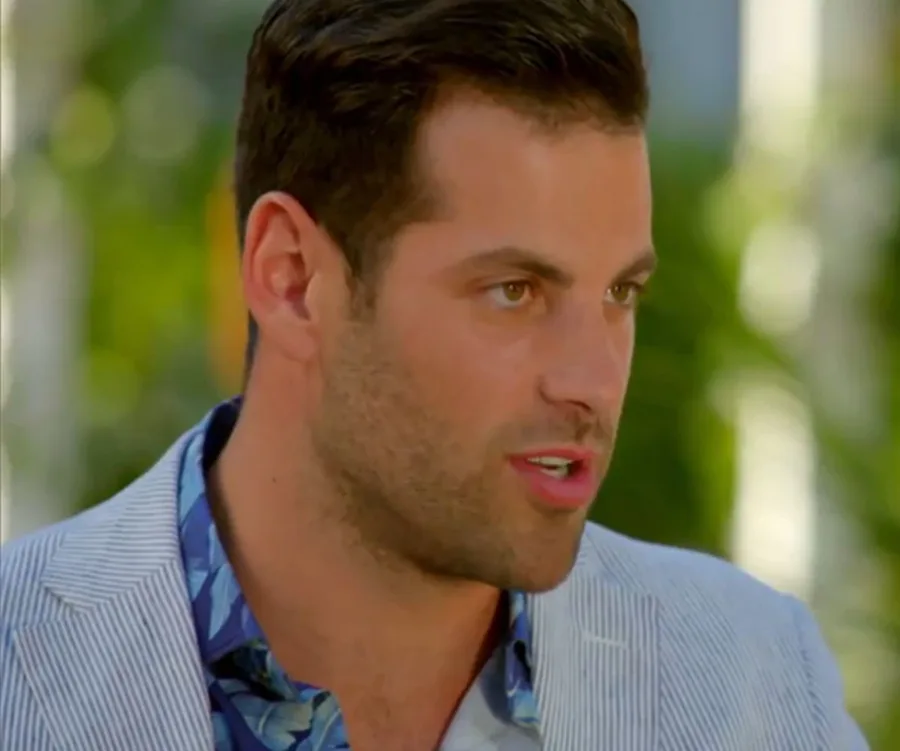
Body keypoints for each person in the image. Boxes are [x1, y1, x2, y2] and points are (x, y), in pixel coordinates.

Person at [0, 1, 869, 749]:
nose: (593, 381)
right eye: (514, 290)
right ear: (291, 276)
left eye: (619, 293)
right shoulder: (20, 668)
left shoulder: (753, 681)